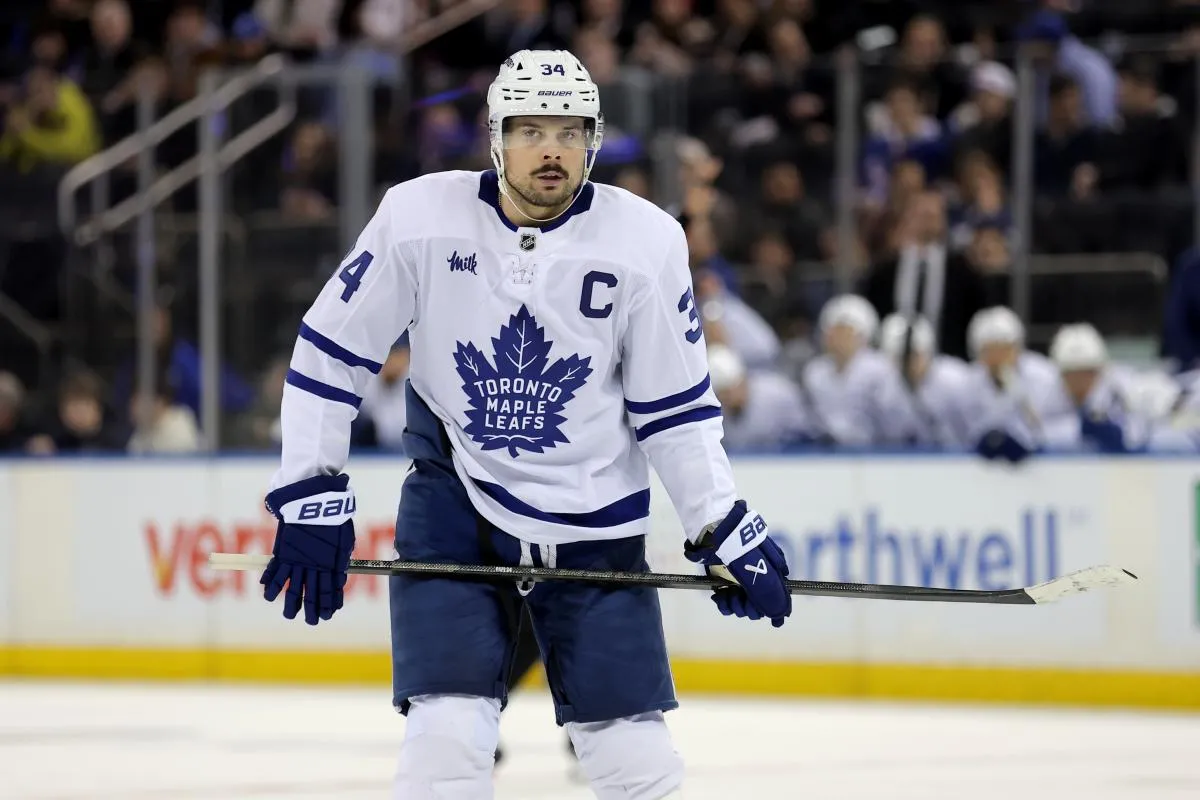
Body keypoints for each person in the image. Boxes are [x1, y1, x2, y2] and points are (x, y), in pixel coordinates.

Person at [257, 49, 792, 799]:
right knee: (445, 743)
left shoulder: (647, 240)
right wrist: (309, 487)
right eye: (531, 129)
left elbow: (675, 408)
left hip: (596, 521)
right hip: (456, 510)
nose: (551, 148)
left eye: (571, 132)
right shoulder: (417, 218)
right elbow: (329, 352)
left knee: (635, 759)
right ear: (495, 137)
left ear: (595, 141)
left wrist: (721, 522)